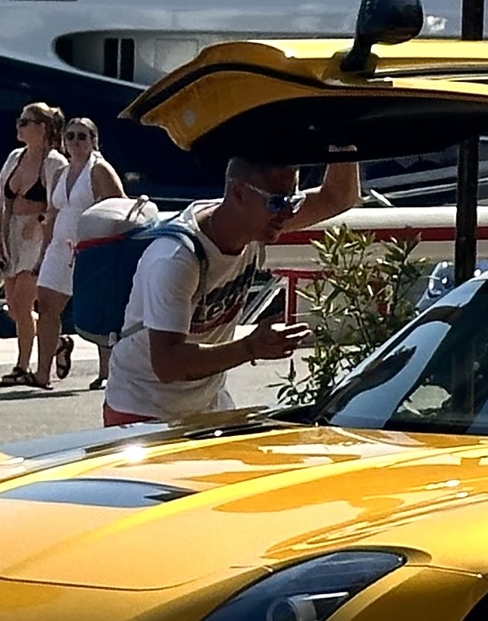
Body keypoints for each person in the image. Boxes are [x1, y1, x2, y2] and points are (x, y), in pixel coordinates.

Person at [100, 155, 359, 426]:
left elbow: (337, 197)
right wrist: (251, 347)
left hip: (208, 404)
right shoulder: (176, 259)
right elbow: (167, 364)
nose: (288, 214)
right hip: (142, 409)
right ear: (238, 193)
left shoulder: (253, 223)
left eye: (292, 203)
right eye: (278, 202)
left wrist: (342, 136)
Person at [35, 116, 129, 387]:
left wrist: (109, 248)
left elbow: (118, 208)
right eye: (71, 136)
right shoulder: (59, 172)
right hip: (59, 247)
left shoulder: (99, 170)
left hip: (91, 247)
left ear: (93, 141)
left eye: (82, 136)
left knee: (98, 310)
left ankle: (106, 372)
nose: (75, 141)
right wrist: (43, 253)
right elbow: (52, 212)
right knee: (46, 304)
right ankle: (42, 373)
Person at [0, 102, 67, 390]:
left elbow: (60, 203)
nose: (19, 126)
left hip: (38, 236)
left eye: (25, 122)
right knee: (13, 307)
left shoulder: (55, 163)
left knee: (22, 300)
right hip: (11, 233)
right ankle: (54, 342)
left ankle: (22, 365)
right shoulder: (14, 157)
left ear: (42, 128)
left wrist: (42, 221)